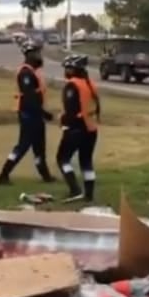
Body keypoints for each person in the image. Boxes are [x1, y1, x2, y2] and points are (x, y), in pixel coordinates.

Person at [0, 39, 56, 185]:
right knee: (23, 146)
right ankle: (3, 175)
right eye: (36, 53)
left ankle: (45, 176)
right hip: (29, 115)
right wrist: (44, 113)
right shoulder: (25, 73)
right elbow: (29, 98)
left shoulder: (33, 72)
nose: (39, 56)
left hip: (35, 114)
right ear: (29, 54)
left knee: (39, 147)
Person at [57, 54, 100, 201]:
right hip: (91, 128)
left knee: (62, 159)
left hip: (76, 127)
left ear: (75, 69)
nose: (66, 71)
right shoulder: (90, 84)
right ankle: (89, 194)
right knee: (86, 161)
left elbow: (71, 109)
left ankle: (74, 189)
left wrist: (64, 123)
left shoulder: (72, 85)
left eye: (68, 68)